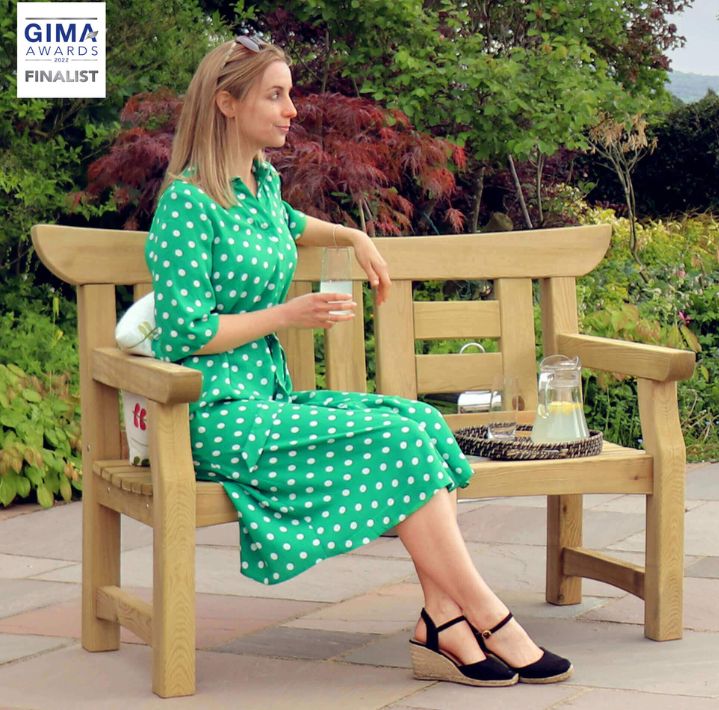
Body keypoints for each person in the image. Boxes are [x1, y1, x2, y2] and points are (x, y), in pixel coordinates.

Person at [145, 35, 571, 687]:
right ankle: (489, 616)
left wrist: (350, 234)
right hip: (213, 415)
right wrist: (287, 316)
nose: (291, 110)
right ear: (226, 103)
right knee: (400, 439)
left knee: (421, 423)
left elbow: (291, 224)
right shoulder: (187, 203)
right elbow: (182, 332)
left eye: (290, 94)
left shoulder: (258, 185)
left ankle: (442, 623)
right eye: (275, 95)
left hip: (268, 401)